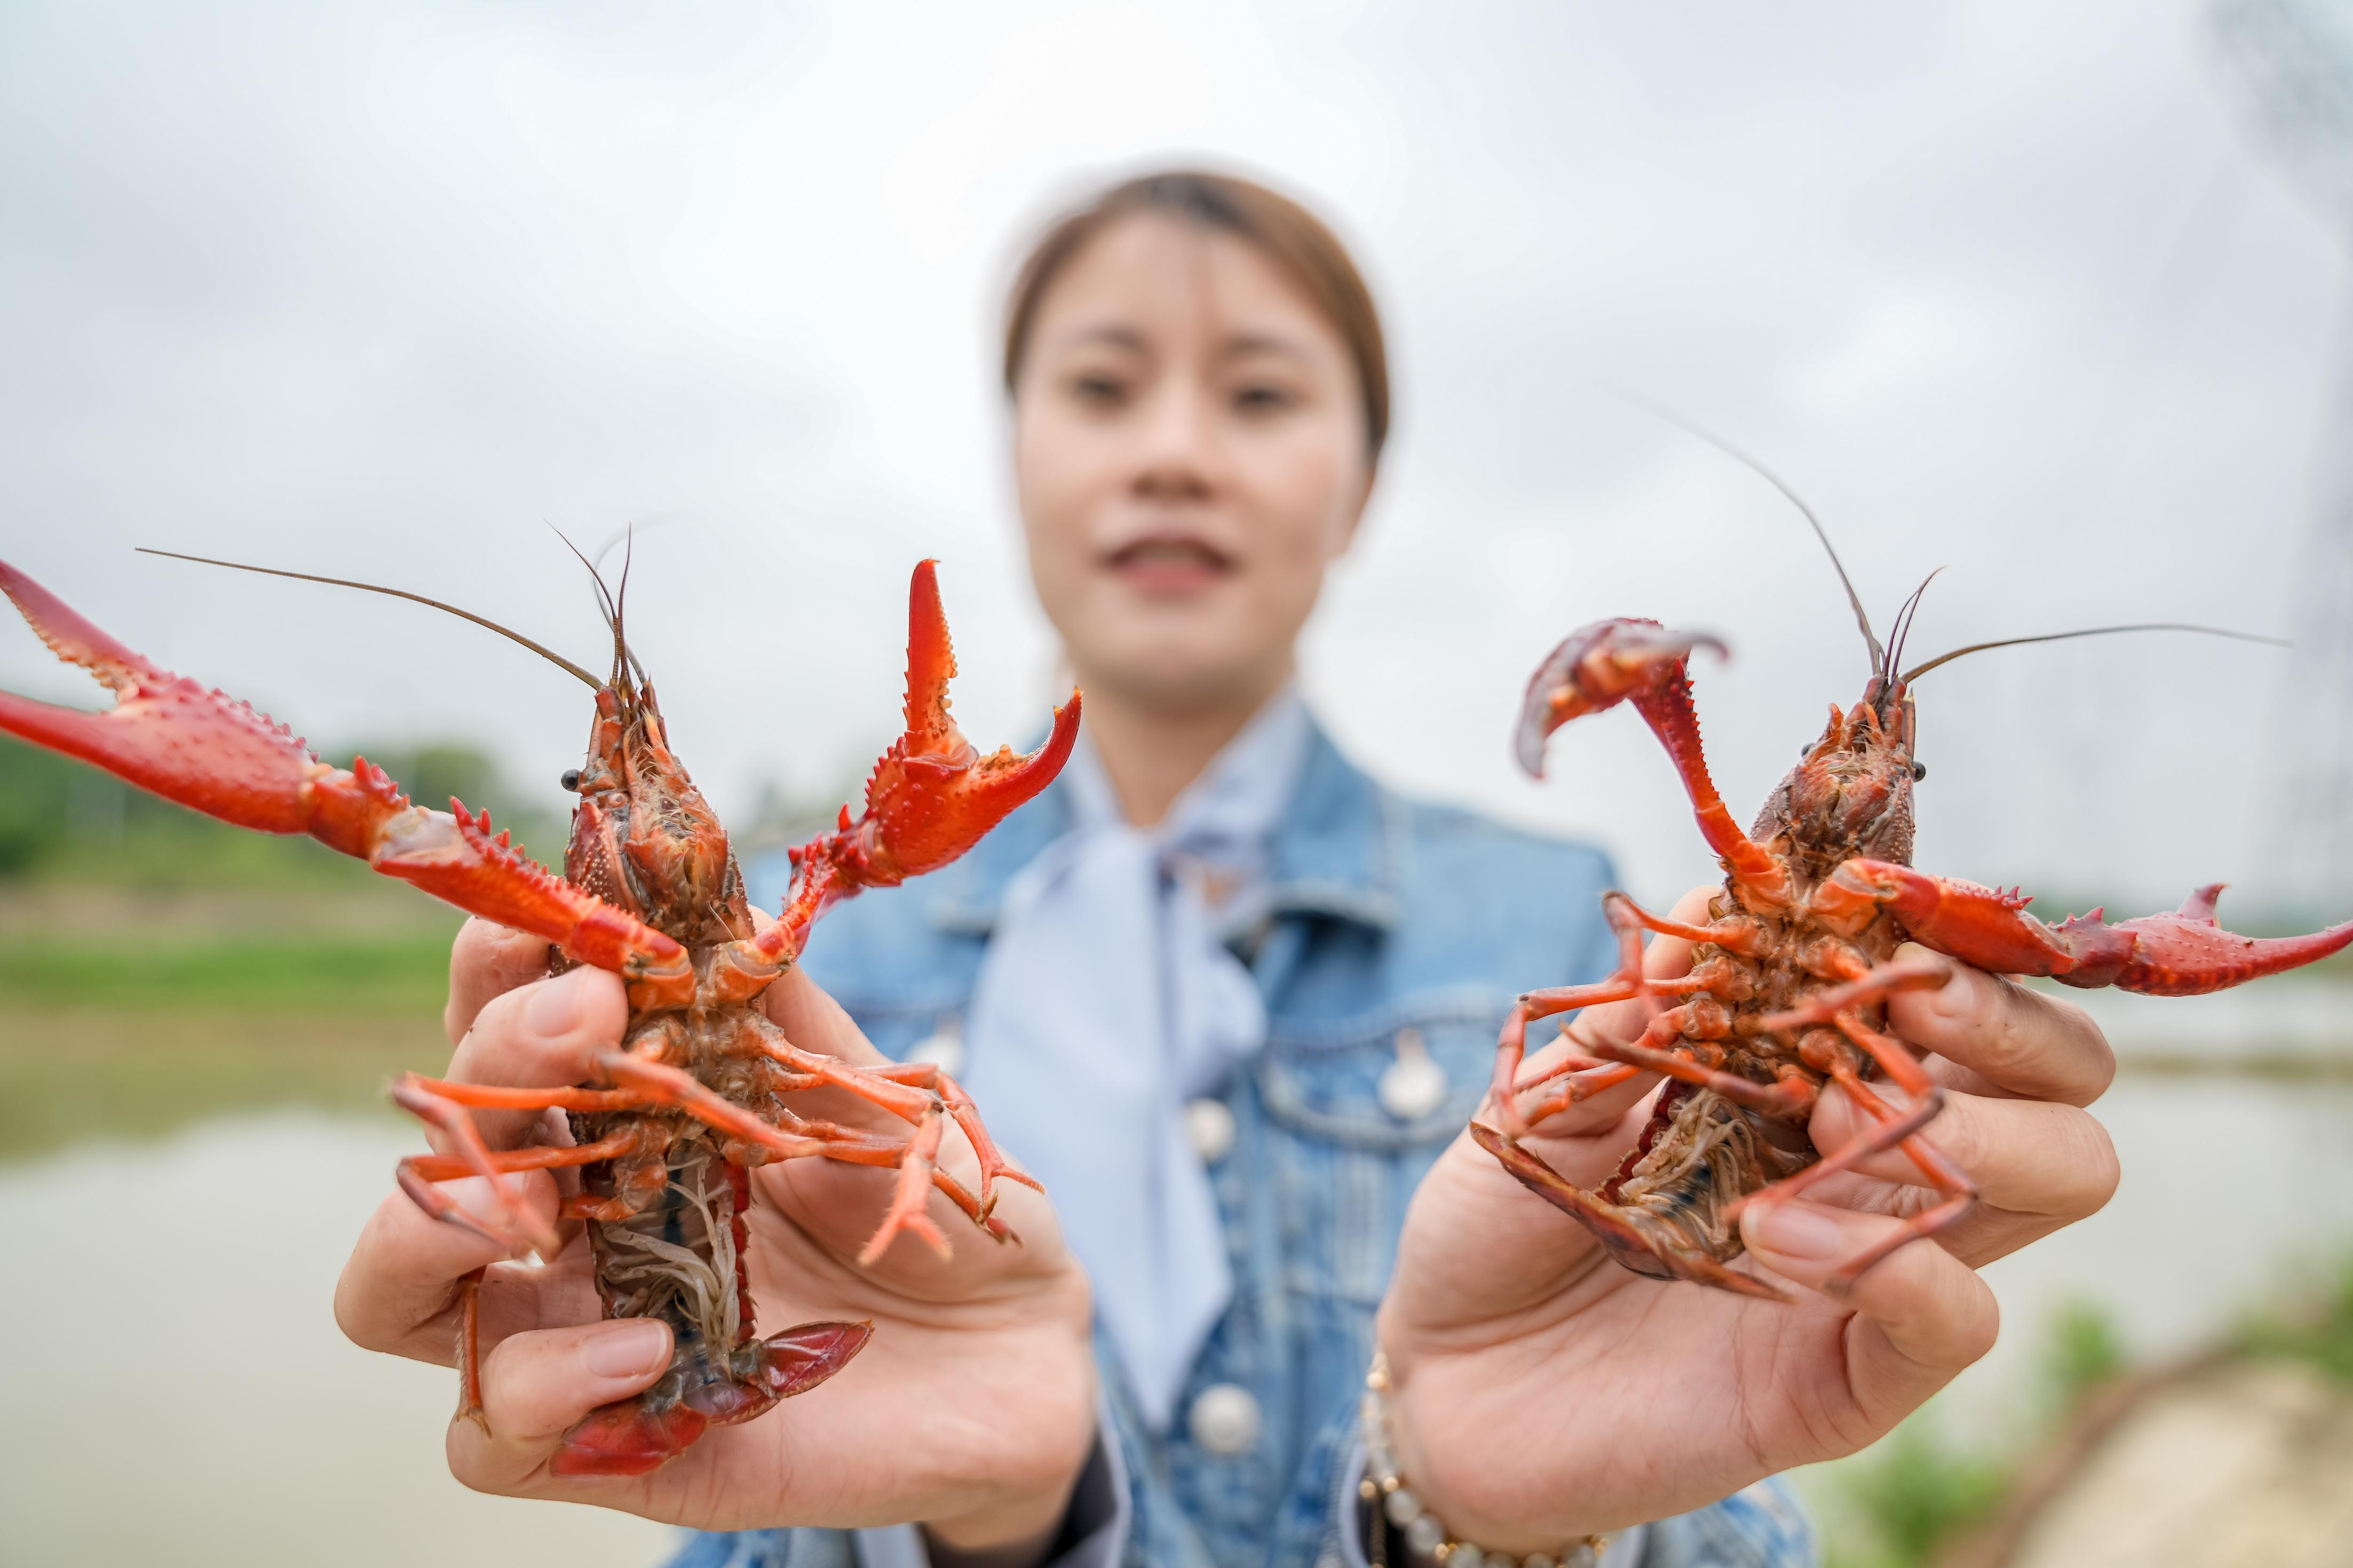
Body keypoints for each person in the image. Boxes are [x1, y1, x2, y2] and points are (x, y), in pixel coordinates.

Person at [335, 170, 2121, 1567]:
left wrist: (1496, 1514)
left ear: (1357, 488)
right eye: (1101, 384)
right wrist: (982, 1514)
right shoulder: (840, 969)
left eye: (1258, 391)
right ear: (1015, 455)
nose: (1174, 447)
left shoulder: (1568, 920)